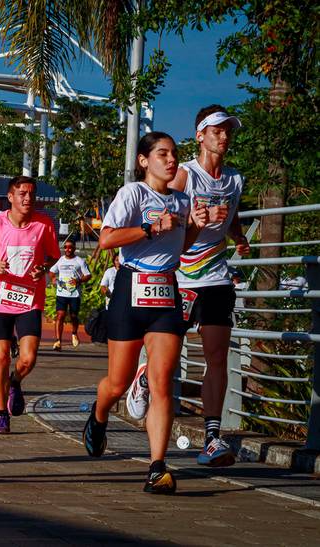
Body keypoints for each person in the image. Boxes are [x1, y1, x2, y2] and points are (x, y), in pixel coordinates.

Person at [125, 107, 250, 469]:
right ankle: (144, 378)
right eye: (216, 130)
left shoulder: (234, 179)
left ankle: (212, 437)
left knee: (216, 355)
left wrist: (238, 236)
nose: (223, 136)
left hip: (216, 277)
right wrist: (192, 222)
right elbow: (166, 213)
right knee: (168, 355)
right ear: (200, 135)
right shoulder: (184, 175)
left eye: (227, 131)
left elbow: (232, 214)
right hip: (179, 277)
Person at [85, 132, 207, 494]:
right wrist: (151, 227)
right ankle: (99, 413)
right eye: (162, 154)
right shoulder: (132, 194)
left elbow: (181, 246)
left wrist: (195, 226)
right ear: (144, 161)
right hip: (130, 287)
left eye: (174, 154)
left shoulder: (183, 201)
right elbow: (106, 239)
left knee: (162, 381)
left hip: (166, 290)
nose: (171, 161)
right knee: (118, 383)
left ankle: (158, 467)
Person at [0, 176, 60, 435]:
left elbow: (53, 256)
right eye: (22, 193)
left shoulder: (44, 224)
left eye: (31, 193)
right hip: (0, 297)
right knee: (4, 356)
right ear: (10, 197)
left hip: (30, 298)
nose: (27, 198)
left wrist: (43, 268)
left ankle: (14, 382)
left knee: (28, 358)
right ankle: (1, 415)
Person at [49, 240, 91, 350]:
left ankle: (74, 333)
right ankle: (58, 341)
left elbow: (88, 275)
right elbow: (52, 271)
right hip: (61, 293)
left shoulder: (79, 261)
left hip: (74, 294)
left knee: (73, 316)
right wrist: (53, 278)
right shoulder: (61, 260)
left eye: (70, 247)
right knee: (60, 315)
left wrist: (78, 281)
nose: (68, 249)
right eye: (66, 247)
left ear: (74, 248)